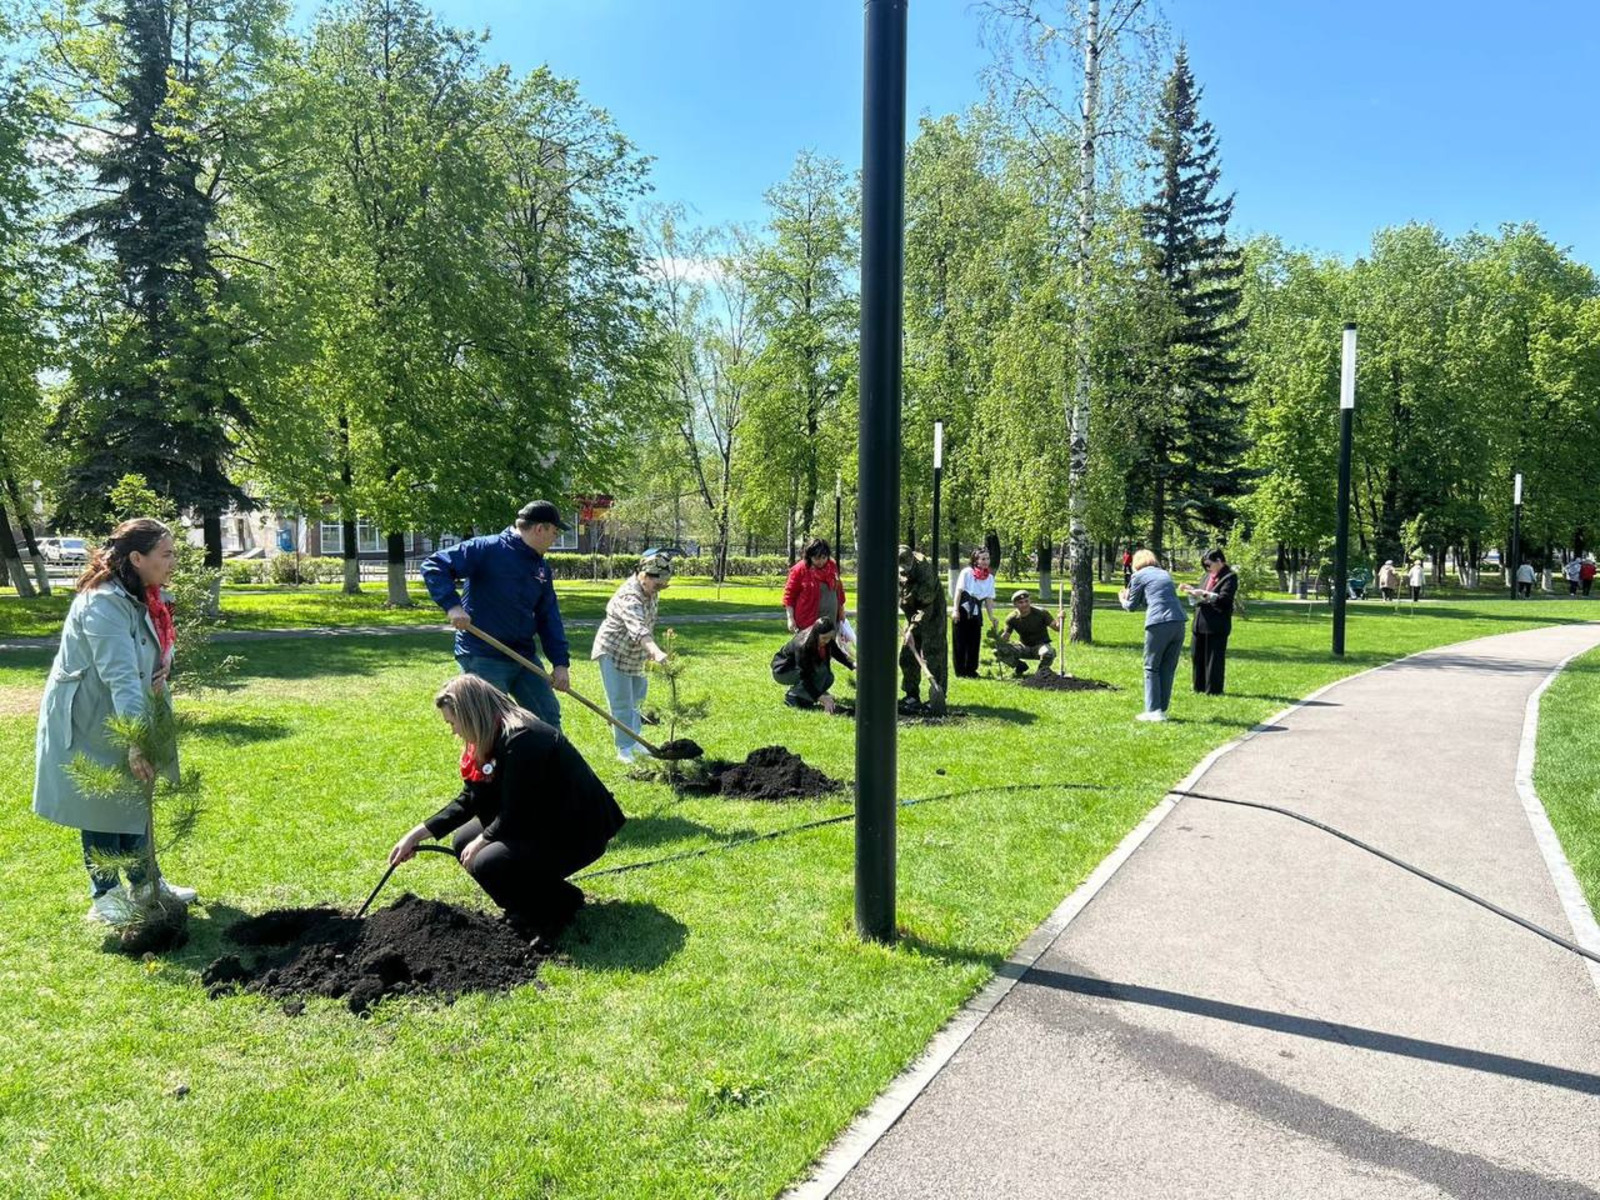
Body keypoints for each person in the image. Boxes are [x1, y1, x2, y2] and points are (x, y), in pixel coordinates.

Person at [34, 519, 197, 923]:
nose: (173, 562)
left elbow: (155, 645)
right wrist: (136, 740)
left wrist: (166, 664)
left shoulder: (148, 595)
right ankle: (105, 895)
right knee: (101, 800)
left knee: (135, 794)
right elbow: (120, 675)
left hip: (127, 705)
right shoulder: (103, 603)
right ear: (137, 558)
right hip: (91, 713)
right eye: (166, 554)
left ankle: (146, 884)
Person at [390, 675, 625, 943]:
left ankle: (549, 914)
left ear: (470, 715)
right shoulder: (490, 735)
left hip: (577, 829)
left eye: (452, 722)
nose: (453, 731)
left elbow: (518, 811)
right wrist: (416, 835)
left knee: (488, 861)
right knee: (463, 840)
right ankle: (550, 900)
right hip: (542, 816)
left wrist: (484, 839)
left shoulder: (523, 738)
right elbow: (470, 799)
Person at [422, 500, 572, 729]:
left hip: (523, 656)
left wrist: (560, 663)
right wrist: (453, 606)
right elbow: (434, 566)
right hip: (482, 654)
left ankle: (551, 754)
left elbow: (548, 615)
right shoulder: (487, 549)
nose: (555, 538)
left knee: (547, 716)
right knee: (488, 724)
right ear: (539, 529)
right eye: (554, 532)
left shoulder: (540, 567)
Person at [591, 554, 672, 764]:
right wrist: (656, 652)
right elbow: (638, 629)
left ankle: (635, 741)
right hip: (614, 652)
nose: (660, 589)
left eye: (664, 585)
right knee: (621, 702)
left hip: (636, 654)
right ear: (644, 575)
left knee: (637, 699)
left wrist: (648, 653)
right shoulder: (629, 597)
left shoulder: (650, 590)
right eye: (658, 584)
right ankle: (624, 748)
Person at [1119, 549, 1185, 723]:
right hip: (1179, 621)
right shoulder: (1164, 573)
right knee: (1167, 668)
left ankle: (1153, 711)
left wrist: (1122, 599)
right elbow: (1151, 597)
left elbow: (1131, 606)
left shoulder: (1138, 576)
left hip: (1159, 622)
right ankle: (1161, 709)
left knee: (1151, 667)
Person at [1181, 548, 1238, 696]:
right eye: (1204, 566)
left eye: (1208, 565)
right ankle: (1198, 687)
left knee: (1214, 659)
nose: (1207, 568)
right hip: (1200, 622)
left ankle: (1213, 690)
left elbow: (1224, 600)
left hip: (1216, 624)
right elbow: (1200, 597)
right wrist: (1192, 592)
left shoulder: (1230, 577)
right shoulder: (1207, 576)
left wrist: (1205, 594)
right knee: (1197, 656)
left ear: (1219, 561)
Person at [898, 544, 946, 716]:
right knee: (907, 655)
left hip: (932, 615)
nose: (904, 572)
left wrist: (912, 629)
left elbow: (925, 608)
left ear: (912, 562)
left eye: (906, 569)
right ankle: (911, 695)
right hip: (912, 614)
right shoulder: (895, 566)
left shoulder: (926, 573)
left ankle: (937, 695)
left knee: (934, 654)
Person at [771, 617, 855, 713]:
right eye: (824, 638)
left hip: (800, 670)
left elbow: (837, 653)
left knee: (829, 677)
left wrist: (853, 664)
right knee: (819, 671)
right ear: (816, 634)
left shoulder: (826, 639)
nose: (827, 641)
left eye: (829, 638)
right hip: (783, 671)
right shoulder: (802, 645)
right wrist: (820, 697)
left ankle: (806, 696)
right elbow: (804, 676)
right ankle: (792, 696)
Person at [783, 538, 848, 642]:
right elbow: (789, 596)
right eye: (816, 558)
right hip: (808, 622)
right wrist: (790, 618)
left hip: (831, 619)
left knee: (829, 648)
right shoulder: (799, 570)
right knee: (809, 649)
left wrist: (841, 610)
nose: (821, 561)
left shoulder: (832, 565)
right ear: (809, 556)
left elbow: (839, 589)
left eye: (824, 557)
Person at [951, 548, 998, 678]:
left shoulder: (990, 578)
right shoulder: (967, 572)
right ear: (975, 561)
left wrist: (991, 617)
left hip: (976, 611)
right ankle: (960, 671)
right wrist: (955, 610)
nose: (986, 561)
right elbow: (959, 592)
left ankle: (971, 670)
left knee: (974, 641)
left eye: (987, 558)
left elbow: (988, 598)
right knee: (960, 641)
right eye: (983, 559)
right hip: (963, 608)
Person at [994, 590, 1058, 676]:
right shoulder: (1012, 618)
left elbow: (1057, 628)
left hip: (1041, 646)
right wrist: (996, 635)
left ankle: (1041, 673)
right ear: (1015, 605)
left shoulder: (1041, 613)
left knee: (1048, 653)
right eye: (1020, 602)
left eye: (1026, 601)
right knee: (998, 650)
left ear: (1030, 601)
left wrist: (1060, 618)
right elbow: (1005, 637)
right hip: (1024, 647)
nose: (1024, 604)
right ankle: (1020, 666)